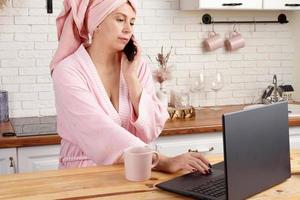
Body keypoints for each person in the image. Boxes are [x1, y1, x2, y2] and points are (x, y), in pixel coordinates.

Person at [51, 0, 211, 174]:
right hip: (80, 175)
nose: (128, 29)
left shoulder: (135, 66)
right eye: (120, 20)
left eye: (132, 22)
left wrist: (131, 78)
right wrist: (162, 161)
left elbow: (151, 130)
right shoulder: (68, 71)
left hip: (131, 172)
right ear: (96, 23)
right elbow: (98, 130)